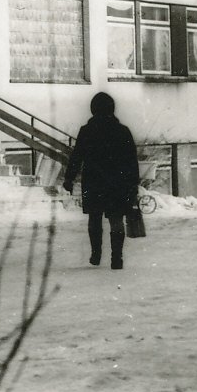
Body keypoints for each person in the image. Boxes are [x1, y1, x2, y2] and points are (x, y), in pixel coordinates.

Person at [61, 91, 140, 270]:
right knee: (116, 219)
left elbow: (77, 157)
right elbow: (131, 160)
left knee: (94, 218)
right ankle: (116, 257)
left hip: (94, 181)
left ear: (93, 109)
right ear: (112, 108)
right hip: (117, 182)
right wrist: (133, 183)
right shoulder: (122, 131)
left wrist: (69, 178)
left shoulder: (87, 131)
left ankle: (96, 254)